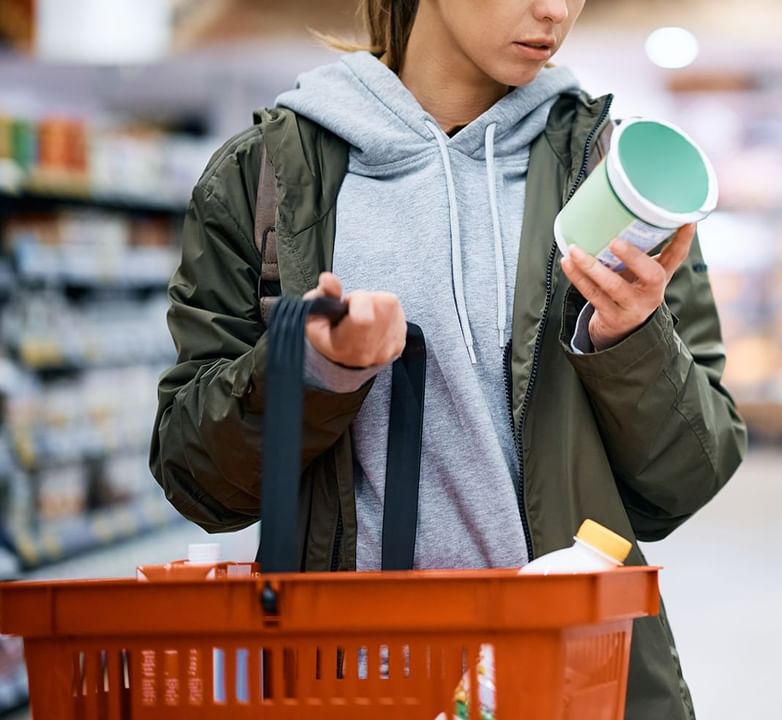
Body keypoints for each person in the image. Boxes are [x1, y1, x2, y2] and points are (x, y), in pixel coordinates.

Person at [149, 0, 747, 716]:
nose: (555, 10)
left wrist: (628, 341)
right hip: (346, 685)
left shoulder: (612, 178)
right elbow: (197, 477)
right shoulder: (263, 179)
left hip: (566, 682)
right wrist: (315, 372)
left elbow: (688, 477)